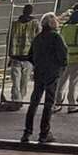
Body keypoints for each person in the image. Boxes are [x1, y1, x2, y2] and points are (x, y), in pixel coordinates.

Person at [20, 12, 67, 145]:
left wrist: (38, 65)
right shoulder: (56, 37)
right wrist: (60, 67)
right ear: (53, 23)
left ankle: (27, 132)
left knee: (34, 102)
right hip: (52, 72)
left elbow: (30, 56)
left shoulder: (38, 38)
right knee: (48, 103)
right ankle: (44, 133)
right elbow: (63, 56)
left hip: (39, 72)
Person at [57, 3, 78, 112]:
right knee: (73, 82)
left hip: (65, 58)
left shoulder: (65, 27)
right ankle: (72, 104)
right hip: (77, 58)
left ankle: (57, 103)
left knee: (61, 81)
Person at [6, 4, 40, 103]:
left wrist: (9, 55)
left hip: (17, 56)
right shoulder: (35, 24)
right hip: (27, 58)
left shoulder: (14, 24)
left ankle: (17, 99)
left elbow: (9, 40)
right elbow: (39, 40)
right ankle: (18, 99)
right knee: (23, 81)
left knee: (17, 81)